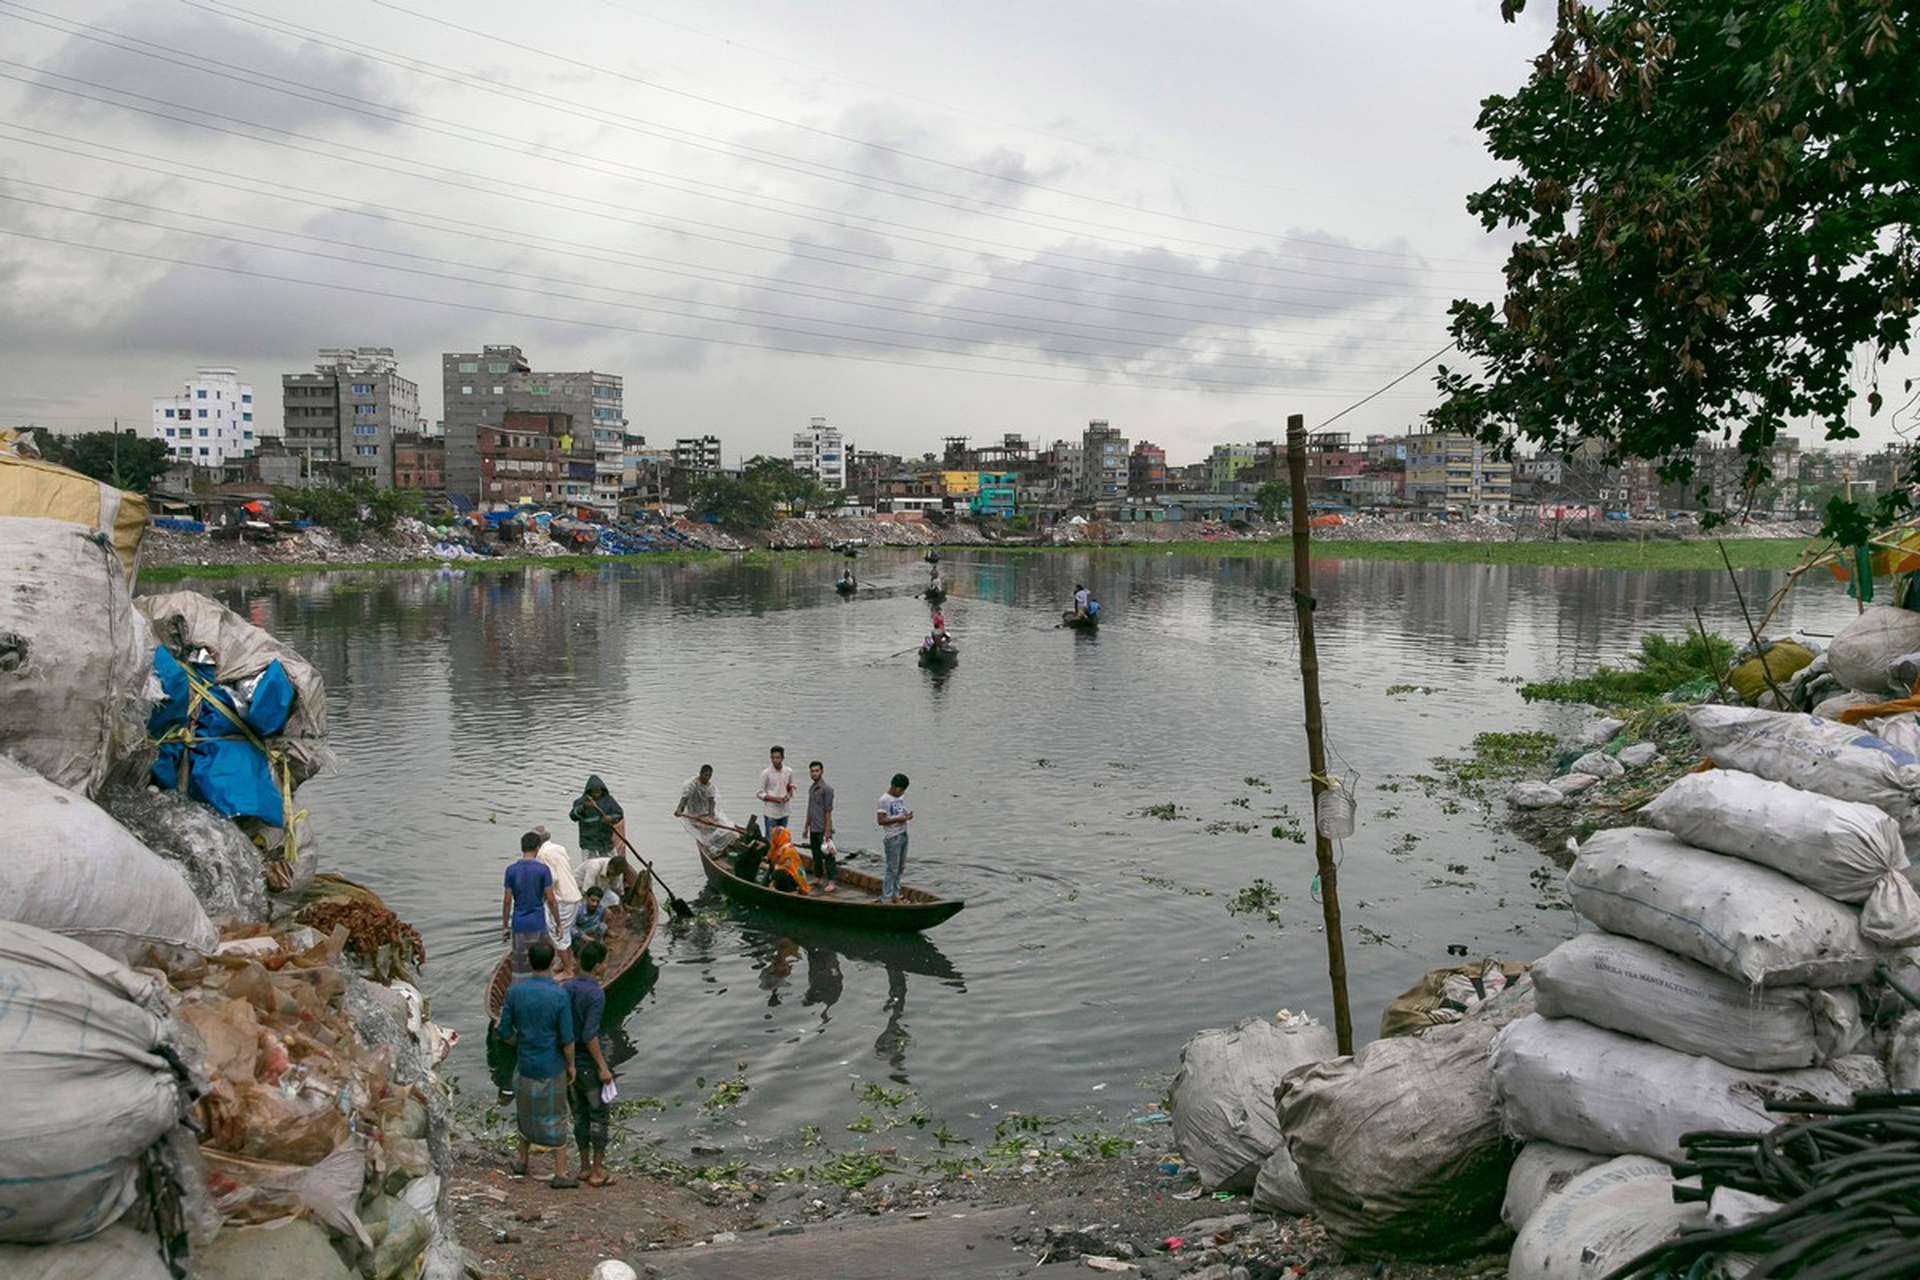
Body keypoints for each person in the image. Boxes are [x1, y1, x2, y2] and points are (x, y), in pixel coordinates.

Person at [493, 939, 576, 1187]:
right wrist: (571, 1065)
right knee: (556, 1116)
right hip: (551, 1065)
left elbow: (503, 1030)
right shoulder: (559, 995)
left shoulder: (515, 992)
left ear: (529, 963)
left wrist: (519, 1042)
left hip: (525, 1063)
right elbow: (567, 1038)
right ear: (553, 963)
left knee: (526, 1113)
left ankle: (522, 1161)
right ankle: (560, 1173)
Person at [563, 939, 615, 1187]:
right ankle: (597, 1171)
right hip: (587, 1066)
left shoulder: (566, 987)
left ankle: (583, 1166)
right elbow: (589, 1035)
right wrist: (602, 1067)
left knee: (579, 1115)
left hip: (569, 1064)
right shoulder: (595, 993)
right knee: (599, 1116)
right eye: (605, 962)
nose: (606, 966)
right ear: (596, 966)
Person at [501, 831, 560, 977]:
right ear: (538, 848)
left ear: (522, 848)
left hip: (519, 924)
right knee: (541, 964)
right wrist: (558, 923)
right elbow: (551, 900)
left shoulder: (511, 870)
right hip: (537, 923)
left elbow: (507, 901)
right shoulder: (543, 870)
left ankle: (519, 988)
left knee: (520, 969)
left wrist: (505, 926)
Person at [534, 826, 583, 976]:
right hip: (573, 895)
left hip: (561, 898)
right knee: (565, 931)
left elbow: (552, 879)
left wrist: (543, 896)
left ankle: (568, 971)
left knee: (558, 934)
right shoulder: (559, 848)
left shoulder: (542, 854)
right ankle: (570, 962)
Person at [875, 773, 914, 903]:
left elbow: (900, 810)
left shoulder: (900, 797)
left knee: (900, 868)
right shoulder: (883, 800)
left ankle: (895, 895)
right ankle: (886, 897)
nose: (902, 793)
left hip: (903, 834)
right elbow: (880, 821)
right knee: (892, 869)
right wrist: (898, 819)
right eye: (901, 790)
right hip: (892, 837)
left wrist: (907, 816)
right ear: (894, 787)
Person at [568, 775, 625, 861]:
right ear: (589, 791)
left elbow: (619, 814)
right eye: (594, 791)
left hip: (606, 843)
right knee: (591, 866)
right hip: (589, 844)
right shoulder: (581, 802)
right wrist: (583, 807)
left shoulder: (609, 800)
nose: (597, 794)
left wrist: (610, 818)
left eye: (599, 791)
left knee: (610, 865)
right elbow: (573, 816)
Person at [802, 759, 837, 893]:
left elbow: (828, 811)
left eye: (817, 771)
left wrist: (827, 831)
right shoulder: (812, 788)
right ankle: (818, 877)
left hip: (823, 828)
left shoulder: (827, 789)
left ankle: (832, 881)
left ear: (822, 771)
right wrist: (806, 826)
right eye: (812, 771)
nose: (814, 773)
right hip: (813, 828)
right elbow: (810, 808)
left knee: (828, 857)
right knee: (816, 855)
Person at [757, 746, 795, 834]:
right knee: (771, 839)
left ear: (782, 758)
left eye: (777, 758)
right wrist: (775, 799)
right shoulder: (766, 773)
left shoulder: (788, 771)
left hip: (784, 812)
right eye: (773, 758)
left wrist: (788, 796)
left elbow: (790, 787)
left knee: (782, 838)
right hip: (771, 813)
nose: (775, 760)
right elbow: (759, 793)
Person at [767, 827, 810, 894]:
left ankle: (792, 890)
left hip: (793, 877)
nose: (773, 838)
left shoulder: (787, 850)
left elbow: (785, 867)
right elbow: (770, 857)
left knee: (778, 873)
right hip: (788, 873)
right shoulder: (779, 846)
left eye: (774, 836)